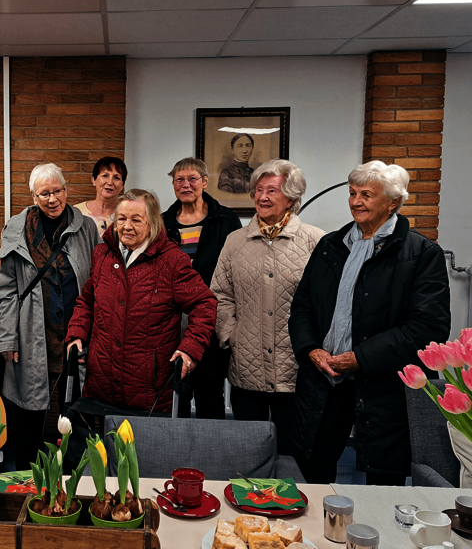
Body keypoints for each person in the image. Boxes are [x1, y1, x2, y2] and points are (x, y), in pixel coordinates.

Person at [288, 161, 451, 485]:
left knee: (383, 481)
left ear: (393, 202)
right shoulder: (330, 245)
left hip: (384, 389)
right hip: (325, 381)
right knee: (313, 471)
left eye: (366, 194)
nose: (356, 201)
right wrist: (311, 350)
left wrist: (359, 358)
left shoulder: (422, 253)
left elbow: (427, 328)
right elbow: (302, 307)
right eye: (352, 193)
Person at [66, 189, 217, 413]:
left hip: (151, 393)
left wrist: (190, 350)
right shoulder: (102, 254)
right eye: (122, 219)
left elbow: (205, 305)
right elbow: (88, 301)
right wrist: (76, 334)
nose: (127, 226)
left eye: (136, 220)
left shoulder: (172, 261)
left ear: (153, 222)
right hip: (101, 387)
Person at [211, 160, 325, 454]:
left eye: (271, 190)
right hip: (246, 366)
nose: (262, 197)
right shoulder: (235, 242)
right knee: (249, 451)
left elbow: (326, 301)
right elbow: (220, 295)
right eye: (258, 190)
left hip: (297, 367)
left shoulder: (316, 240)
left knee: (293, 451)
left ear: (291, 197)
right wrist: (231, 335)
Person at [0, 163, 99, 469]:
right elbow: (6, 290)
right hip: (32, 334)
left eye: (57, 191)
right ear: (33, 196)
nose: (52, 199)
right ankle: (29, 478)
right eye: (44, 194)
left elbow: (96, 282)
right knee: (30, 413)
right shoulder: (16, 229)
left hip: (76, 335)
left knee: (76, 412)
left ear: (66, 190)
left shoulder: (86, 228)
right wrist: (8, 338)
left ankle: (73, 480)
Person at [162, 157, 242, 419]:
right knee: (175, 396)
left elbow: (235, 272)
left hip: (212, 320)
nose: (186, 185)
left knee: (210, 394)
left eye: (192, 179)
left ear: (205, 182)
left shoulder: (226, 220)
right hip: (171, 322)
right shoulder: (161, 223)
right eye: (179, 179)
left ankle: (211, 446)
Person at [73, 157, 127, 238]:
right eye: (105, 176)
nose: (110, 182)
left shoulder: (127, 215)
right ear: (94, 180)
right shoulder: (76, 213)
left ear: (122, 185)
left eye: (117, 178)